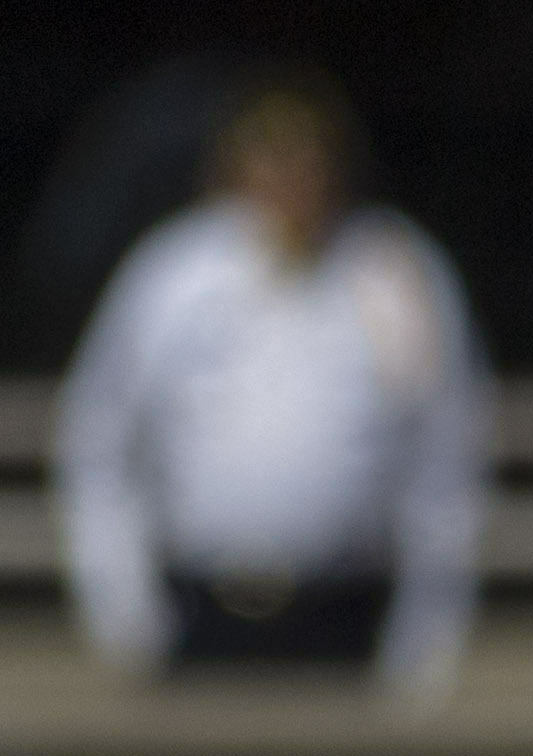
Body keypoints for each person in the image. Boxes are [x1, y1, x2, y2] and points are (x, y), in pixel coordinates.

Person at [53, 69, 486, 691]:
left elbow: (445, 457)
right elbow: (98, 438)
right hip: (200, 614)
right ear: (233, 167)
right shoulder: (175, 274)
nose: (290, 179)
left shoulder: (391, 273)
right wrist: (123, 610)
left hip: (348, 614)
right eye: (270, 154)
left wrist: (428, 635)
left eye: (307, 157)